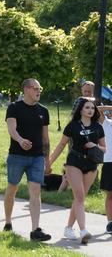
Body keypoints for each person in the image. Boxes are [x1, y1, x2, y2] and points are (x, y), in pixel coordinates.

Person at [46, 97, 106, 244]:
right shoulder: (73, 125)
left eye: (92, 108)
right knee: (79, 197)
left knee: (80, 198)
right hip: (74, 162)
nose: (90, 110)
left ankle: (68, 227)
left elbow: (104, 148)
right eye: (87, 108)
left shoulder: (98, 127)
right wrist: (48, 163)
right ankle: (83, 230)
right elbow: (61, 145)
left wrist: (95, 146)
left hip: (91, 164)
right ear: (80, 110)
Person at [3, 78, 51, 241]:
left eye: (40, 88)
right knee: (12, 189)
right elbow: (11, 129)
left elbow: (46, 139)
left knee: (36, 192)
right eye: (35, 88)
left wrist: (48, 161)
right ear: (26, 89)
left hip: (37, 158)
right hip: (17, 156)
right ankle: (8, 222)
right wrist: (20, 140)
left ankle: (35, 230)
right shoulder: (14, 108)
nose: (38, 91)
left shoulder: (43, 111)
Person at [100, 107, 112, 234]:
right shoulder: (106, 123)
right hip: (109, 163)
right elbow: (97, 110)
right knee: (110, 194)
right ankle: (110, 222)